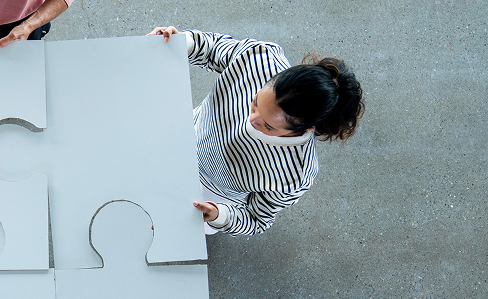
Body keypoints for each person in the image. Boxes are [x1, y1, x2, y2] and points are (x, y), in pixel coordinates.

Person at [148, 27, 364, 236]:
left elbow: (257, 218)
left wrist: (218, 214)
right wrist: (179, 43)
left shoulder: (295, 174)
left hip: (208, 194)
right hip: (182, 134)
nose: (250, 121)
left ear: (305, 128)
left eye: (268, 126)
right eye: (255, 103)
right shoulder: (261, 58)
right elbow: (212, 48)